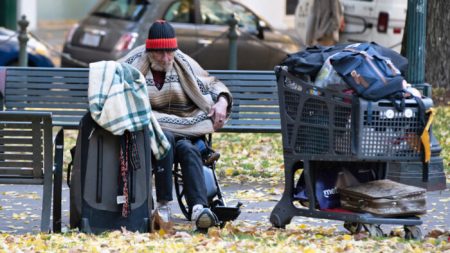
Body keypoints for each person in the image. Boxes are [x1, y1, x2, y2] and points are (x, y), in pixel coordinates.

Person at [119, 20, 232, 231]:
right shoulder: (134, 62)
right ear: (149, 51)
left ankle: (199, 208)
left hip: (183, 131)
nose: (166, 58)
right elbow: (114, 84)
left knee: (188, 150)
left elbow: (212, 83)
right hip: (145, 135)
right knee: (167, 139)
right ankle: (163, 205)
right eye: (160, 53)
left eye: (170, 52)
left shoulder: (182, 62)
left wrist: (222, 102)